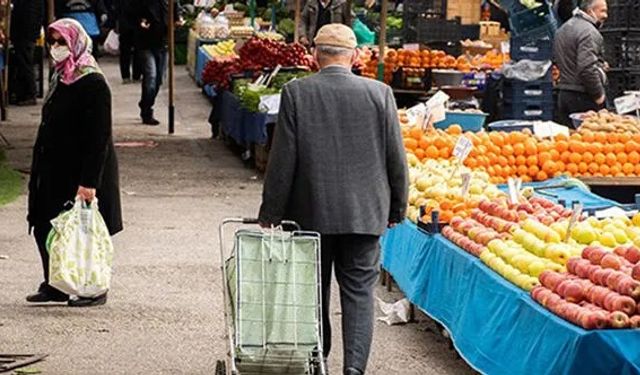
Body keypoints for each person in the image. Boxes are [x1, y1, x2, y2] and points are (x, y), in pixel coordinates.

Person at [258, 24, 409, 375]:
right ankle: (354, 370)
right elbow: (395, 159)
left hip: (310, 213)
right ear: (355, 57)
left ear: (314, 57)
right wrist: (396, 208)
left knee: (314, 294)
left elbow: (283, 159)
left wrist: (271, 211)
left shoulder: (297, 92)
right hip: (364, 215)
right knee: (359, 296)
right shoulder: (380, 93)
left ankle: (318, 364)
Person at [27, 18, 122, 307]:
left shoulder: (91, 80)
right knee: (46, 224)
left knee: (82, 230)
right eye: (52, 42)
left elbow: (99, 137)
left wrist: (89, 182)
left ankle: (92, 287)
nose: (55, 48)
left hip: (80, 169)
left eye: (61, 42)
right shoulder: (61, 76)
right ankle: (56, 283)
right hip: (53, 166)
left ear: (76, 44)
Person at [554, 0, 608, 127]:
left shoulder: (563, 29)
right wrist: (598, 95)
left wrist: (600, 66)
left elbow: (567, 59)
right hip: (583, 95)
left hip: (564, 94)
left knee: (572, 141)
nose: (606, 15)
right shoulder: (589, 32)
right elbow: (586, 68)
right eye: (603, 11)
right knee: (590, 142)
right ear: (590, 11)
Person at [132, 0, 180, 126]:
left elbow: (175, 17)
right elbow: (133, 13)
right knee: (151, 77)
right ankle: (147, 111)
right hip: (145, 44)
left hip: (163, 44)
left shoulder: (171, 2)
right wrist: (140, 23)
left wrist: (176, 23)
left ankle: (146, 104)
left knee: (158, 80)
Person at [10, 0, 44, 106]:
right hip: (28, 32)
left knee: (25, 62)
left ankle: (30, 94)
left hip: (25, 32)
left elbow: (27, 15)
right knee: (24, 61)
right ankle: (24, 93)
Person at [113, 0, 142, 83]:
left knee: (125, 51)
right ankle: (136, 75)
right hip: (136, 24)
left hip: (125, 24)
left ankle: (126, 76)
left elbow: (116, 10)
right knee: (137, 51)